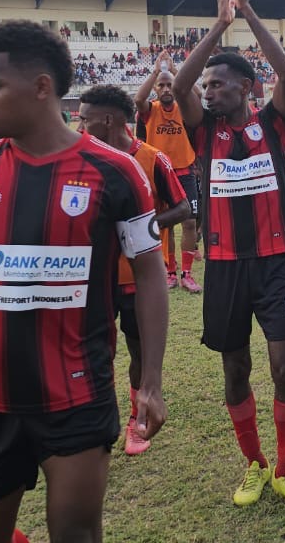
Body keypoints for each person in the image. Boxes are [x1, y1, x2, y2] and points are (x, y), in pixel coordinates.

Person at [0, 21, 168, 542]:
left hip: (79, 395)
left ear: (41, 87)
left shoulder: (117, 172)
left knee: (77, 534)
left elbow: (150, 275)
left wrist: (150, 380)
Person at [173, 0, 285, 515]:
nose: (208, 91)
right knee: (235, 368)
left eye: (219, 83)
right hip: (224, 266)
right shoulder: (203, 128)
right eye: (207, 85)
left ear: (244, 88)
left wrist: (249, 12)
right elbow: (180, 84)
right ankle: (254, 463)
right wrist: (219, 23)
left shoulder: (274, 121)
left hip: (274, 262)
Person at [78, 83, 189, 456]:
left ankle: (136, 419)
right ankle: (98, 418)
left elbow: (183, 208)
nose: (79, 127)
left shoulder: (153, 159)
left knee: (139, 354)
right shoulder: (82, 159)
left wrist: (143, 226)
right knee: (96, 353)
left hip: (137, 279)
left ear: (108, 120)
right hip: (94, 277)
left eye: (84, 120)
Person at [135, 52, 202, 293]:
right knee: (166, 226)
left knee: (190, 223)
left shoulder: (184, 107)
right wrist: (156, 71)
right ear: (155, 88)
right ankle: (170, 272)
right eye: (161, 85)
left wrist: (175, 72)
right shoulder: (150, 110)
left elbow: (198, 94)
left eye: (169, 85)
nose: (165, 89)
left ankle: (187, 274)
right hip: (160, 172)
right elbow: (137, 99)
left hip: (185, 170)